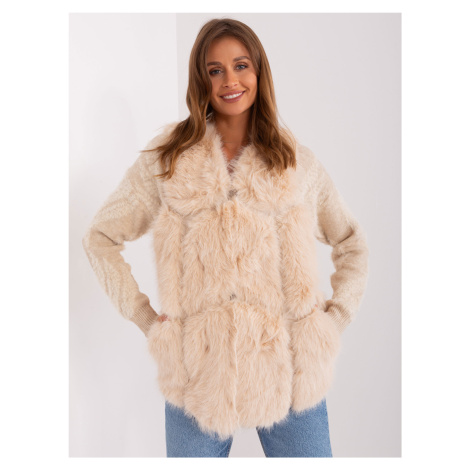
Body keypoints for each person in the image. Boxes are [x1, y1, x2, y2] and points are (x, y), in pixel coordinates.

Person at [82, 18, 369, 458]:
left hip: (292, 371)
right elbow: (100, 237)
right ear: (201, 80)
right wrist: (148, 320)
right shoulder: (167, 162)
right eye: (215, 70)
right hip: (197, 375)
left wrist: (333, 320)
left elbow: (351, 241)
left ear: (259, 71)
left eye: (241, 65)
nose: (230, 80)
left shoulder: (296, 163)